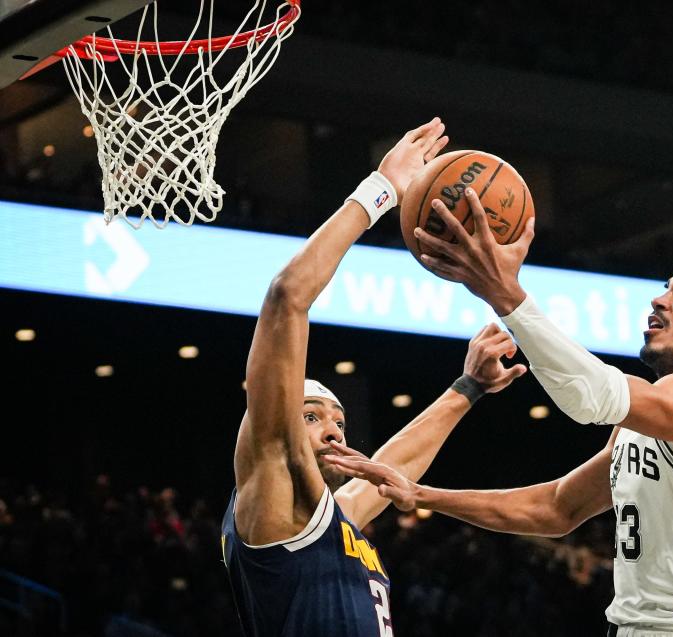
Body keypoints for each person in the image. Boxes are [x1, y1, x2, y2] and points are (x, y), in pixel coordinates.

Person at [325, 189, 673, 636]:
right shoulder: (650, 418)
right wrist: (422, 493)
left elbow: (592, 396)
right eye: (666, 287)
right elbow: (557, 508)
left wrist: (503, 292)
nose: (660, 299)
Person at [219, 121, 527, 637]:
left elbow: (393, 467)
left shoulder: (330, 519)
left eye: (338, 419)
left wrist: (468, 387)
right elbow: (286, 298)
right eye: (312, 416)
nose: (334, 430)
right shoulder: (272, 482)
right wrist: (379, 191)